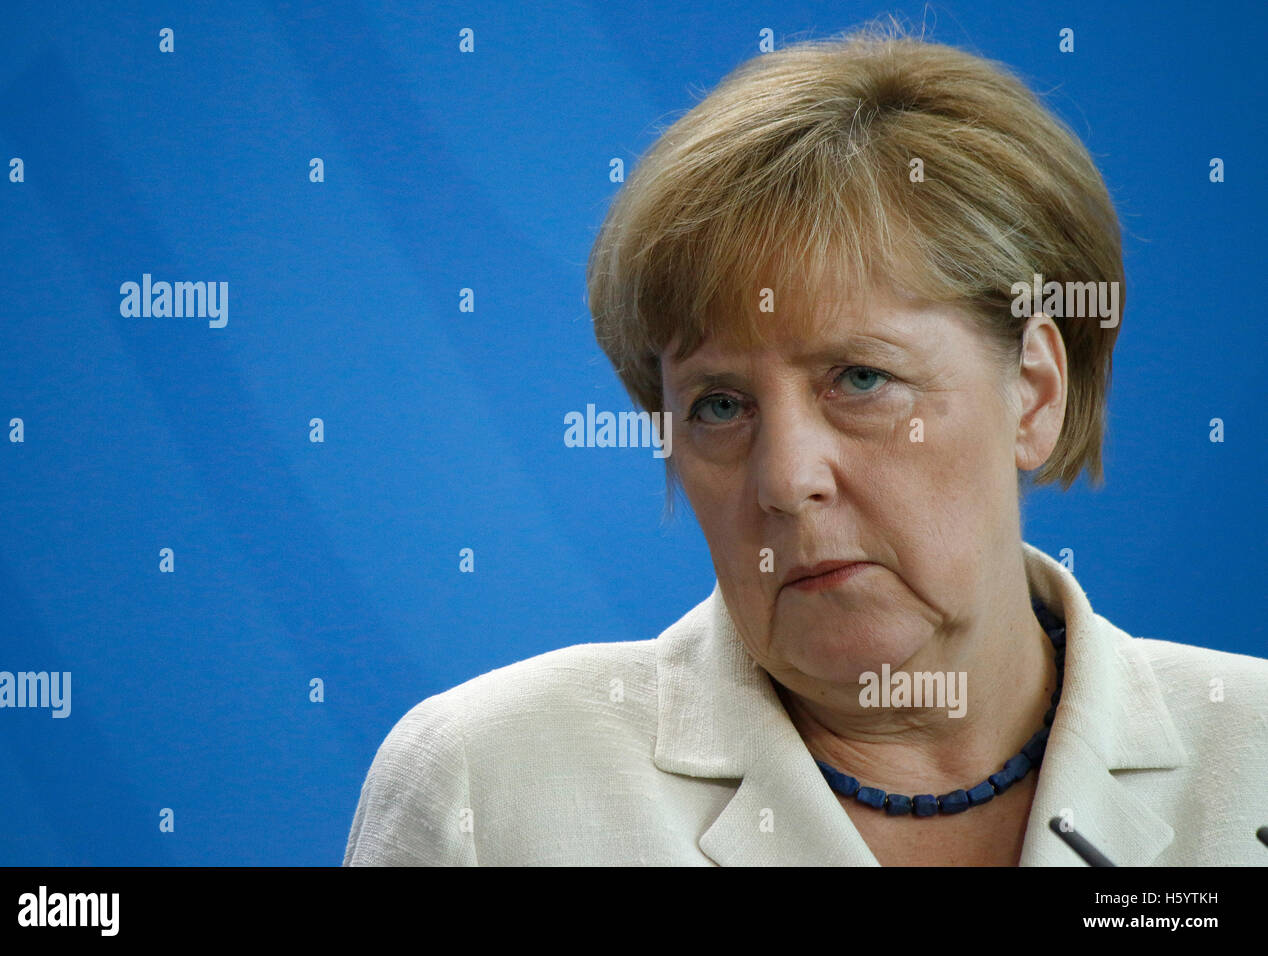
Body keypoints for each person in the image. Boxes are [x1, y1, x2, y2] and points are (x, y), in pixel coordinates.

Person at [343, 24, 1268, 866]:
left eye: (860, 380)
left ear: (1032, 392)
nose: (785, 481)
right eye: (717, 405)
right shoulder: (492, 788)